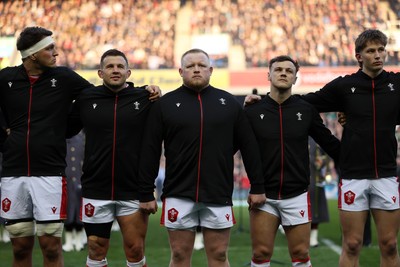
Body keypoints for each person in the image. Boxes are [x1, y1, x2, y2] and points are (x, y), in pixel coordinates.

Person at [0, 26, 160, 267]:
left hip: (51, 173)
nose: (56, 52)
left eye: (55, 47)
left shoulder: (64, 77)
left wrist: (140, 91)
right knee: (21, 247)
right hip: (13, 171)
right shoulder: (6, 78)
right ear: (33, 54)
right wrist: (5, 137)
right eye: (50, 48)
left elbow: (101, 93)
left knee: (51, 247)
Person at [246, 29, 400, 267]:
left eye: (381, 50)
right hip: (353, 175)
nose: (378, 55)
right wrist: (264, 102)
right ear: (359, 56)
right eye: (371, 51)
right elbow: (304, 102)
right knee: (351, 244)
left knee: (390, 244)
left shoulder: (396, 84)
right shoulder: (344, 86)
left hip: (388, 173)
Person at [138, 48, 266, 266]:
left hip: (218, 192)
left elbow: (249, 147)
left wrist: (258, 186)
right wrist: (145, 191)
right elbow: (150, 149)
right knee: (179, 255)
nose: (196, 69)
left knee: (218, 255)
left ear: (211, 70)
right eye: (190, 66)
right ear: (180, 71)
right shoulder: (165, 104)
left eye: (201, 65)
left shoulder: (229, 103)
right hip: (178, 191)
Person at [244, 55, 340, 267]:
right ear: (268, 75)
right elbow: (233, 146)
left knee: (300, 253)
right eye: (278, 69)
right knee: (260, 254)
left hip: (296, 194)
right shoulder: (252, 110)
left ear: (295, 78)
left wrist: (356, 155)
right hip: (263, 194)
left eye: (289, 71)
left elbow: (329, 142)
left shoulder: (305, 109)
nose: (283, 73)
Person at [67, 49, 158, 267]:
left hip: (132, 189)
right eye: (109, 66)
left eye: (119, 66)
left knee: (135, 250)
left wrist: (147, 189)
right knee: (96, 249)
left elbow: (155, 143)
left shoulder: (145, 98)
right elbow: (65, 129)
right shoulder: (86, 99)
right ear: (100, 73)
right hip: (96, 188)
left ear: (128, 72)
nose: (115, 70)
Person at [62, 131, 86, 252]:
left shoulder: (82, 138)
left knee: (79, 209)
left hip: (79, 179)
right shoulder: (63, 137)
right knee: (68, 208)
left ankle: (79, 239)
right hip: (67, 180)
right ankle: (69, 240)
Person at [308, 137, 330, 248]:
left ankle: (313, 237)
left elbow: (327, 156)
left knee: (316, 208)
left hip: (316, 178)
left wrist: (322, 162)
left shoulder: (318, 138)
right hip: (301, 178)